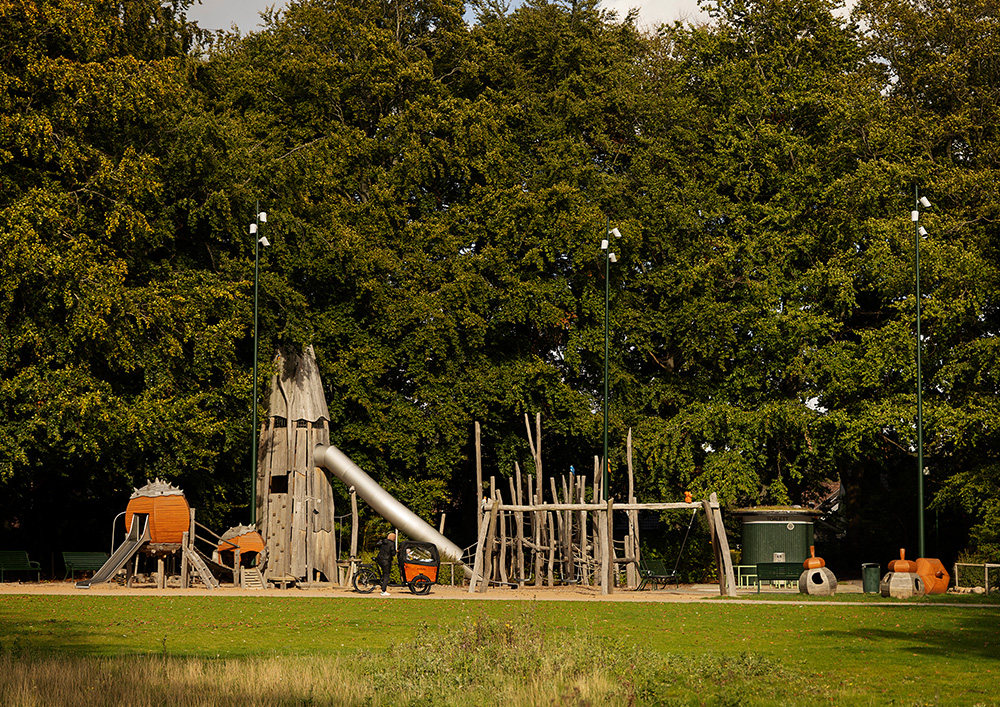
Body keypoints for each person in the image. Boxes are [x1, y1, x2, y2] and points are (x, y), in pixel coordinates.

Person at [376, 531, 396, 596]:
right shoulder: (391, 543)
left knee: (383, 574)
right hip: (386, 561)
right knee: (386, 575)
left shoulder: (383, 542)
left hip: (379, 559)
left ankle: (382, 582)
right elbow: (393, 553)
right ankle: (383, 591)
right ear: (393, 538)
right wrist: (395, 551)